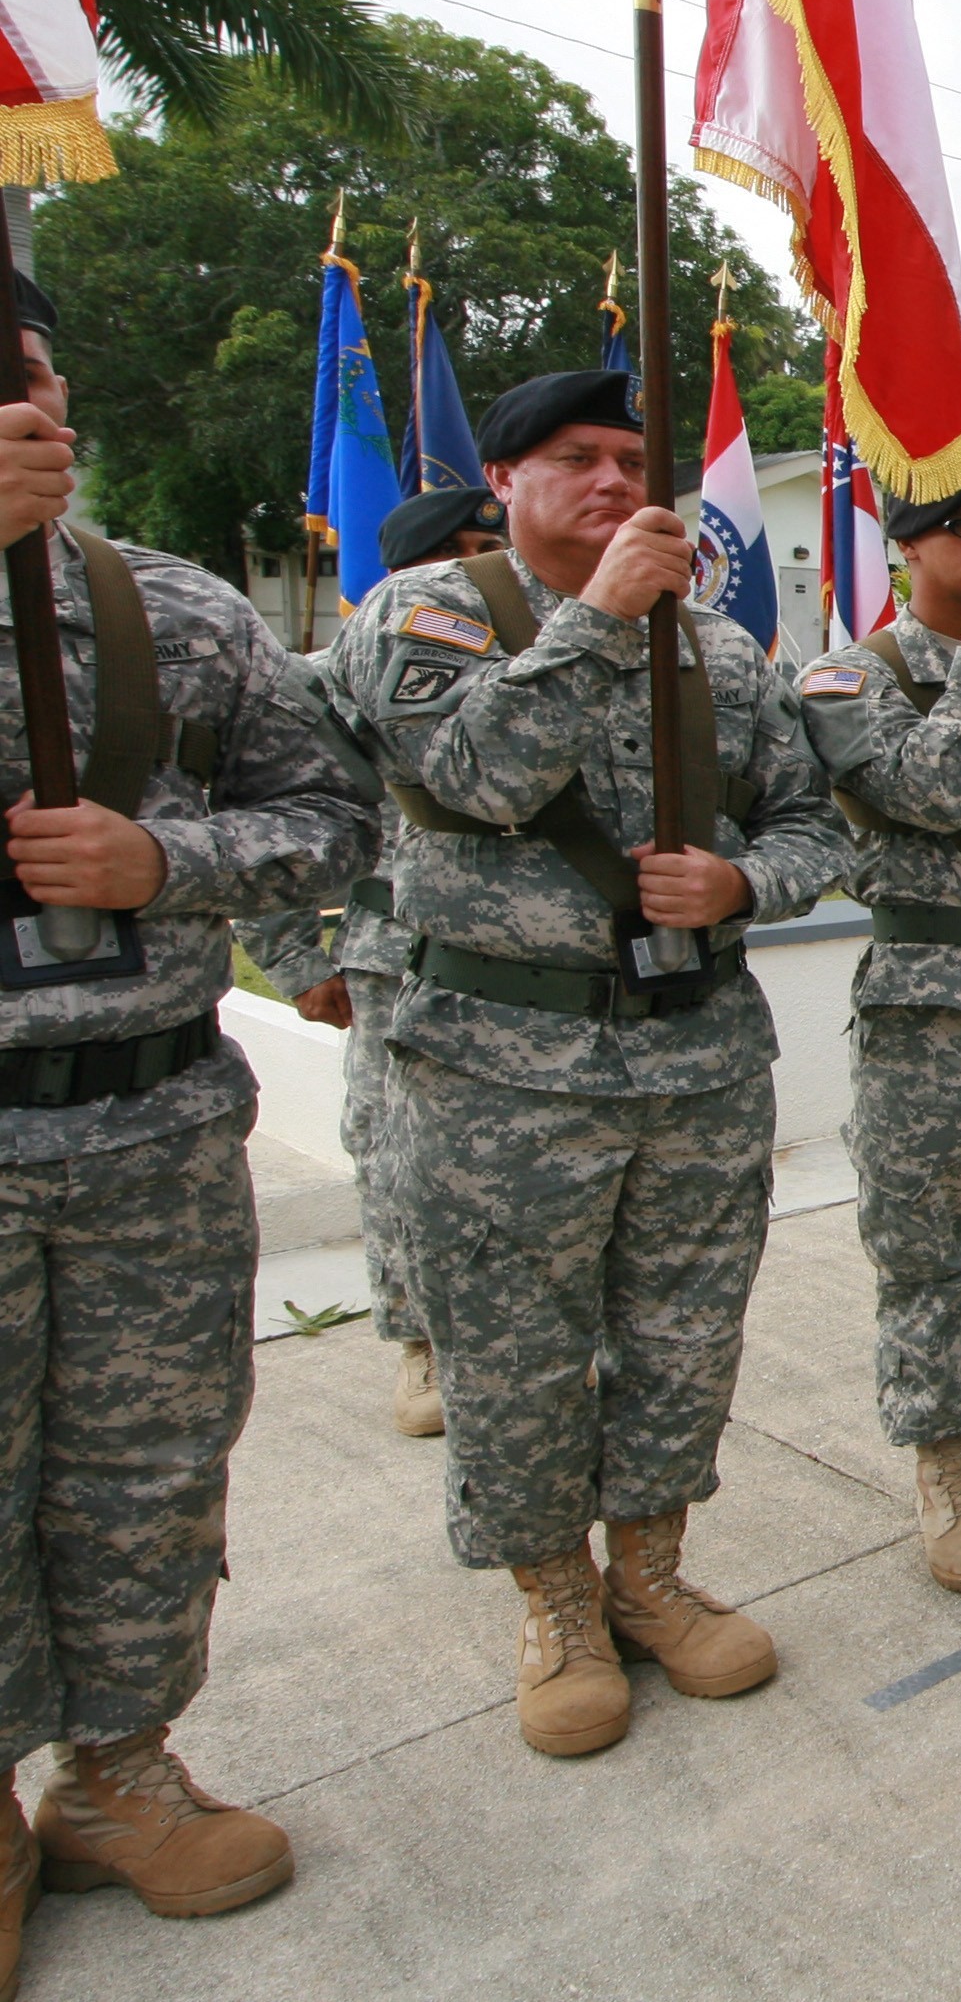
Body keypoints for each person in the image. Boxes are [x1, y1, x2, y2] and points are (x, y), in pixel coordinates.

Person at [332, 371, 849, 1759]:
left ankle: (651, 1574)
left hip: (697, 1060)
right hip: (504, 1075)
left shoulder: (721, 649)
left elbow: (813, 823)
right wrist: (603, 615)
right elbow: (476, 775)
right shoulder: (425, 615)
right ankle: (556, 1600)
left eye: (634, 458)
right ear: (504, 481)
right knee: (515, 1355)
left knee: (685, 1338)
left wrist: (741, 882)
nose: (619, 482)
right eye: (578, 458)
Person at [0, 276, 378, 1967]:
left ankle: (119, 1769)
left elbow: (331, 817)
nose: (27, 406)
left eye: (34, 373)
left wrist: (168, 860)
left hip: (152, 1130)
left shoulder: (174, 609)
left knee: (148, 1470)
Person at [796, 468, 961, 1593]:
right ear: (906, 547)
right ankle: (945, 1465)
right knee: (924, 1252)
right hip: (928, 1007)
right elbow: (938, 793)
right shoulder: (852, 677)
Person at [241, 484, 512, 1437]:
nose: (480, 568)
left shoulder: (528, 673)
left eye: (489, 550)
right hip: (392, 963)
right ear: (403, 571)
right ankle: (419, 1342)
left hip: (518, 963)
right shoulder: (324, 683)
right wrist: (292, 959)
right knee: (397, 1157)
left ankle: (510, 1340)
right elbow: (266, 816)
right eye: (462, 551)